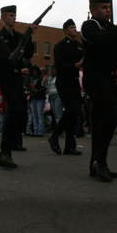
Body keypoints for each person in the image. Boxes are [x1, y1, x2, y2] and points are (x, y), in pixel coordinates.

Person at [81, 0, 117, 182]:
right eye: (103, 7)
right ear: (93, 9)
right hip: (95, 78)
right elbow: (103, 40)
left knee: (101, 123)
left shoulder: (107, 27)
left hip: (107, 79)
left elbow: (113, 50)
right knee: (111, 116)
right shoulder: (90, 26)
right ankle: (99, 161)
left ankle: (98, 163)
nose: (108, 10)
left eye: (109, 7)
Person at [0, 5, 36, 168]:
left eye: (15, 15)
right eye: (11, 15)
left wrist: (29, 37)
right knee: (16, 109)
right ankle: (4, 151)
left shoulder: (20, 36)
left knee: (20, 112)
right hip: (5, 76)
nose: (14, 18)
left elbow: (29, 54)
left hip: (17, 77)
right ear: (3, 18)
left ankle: (12, 143)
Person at [48, 19, 83, 155]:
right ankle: (55, 135)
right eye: (71, 27)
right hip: (64, 81)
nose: (75, 29)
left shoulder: (79, 45)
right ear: (65, 30)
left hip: (74, 81)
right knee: (70, 110)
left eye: (75, 27)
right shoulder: (61, 45)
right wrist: (75, 65)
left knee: (74, 113)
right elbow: (60, 65)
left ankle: (69, 146)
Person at [30, 65, 46, 137]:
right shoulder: (31, 80)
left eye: (36, 71)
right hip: (33, 98)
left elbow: (44, 88)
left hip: (40, 98)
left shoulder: (40, 79)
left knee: (40, 115)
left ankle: (41, 131)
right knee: (34, 115)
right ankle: (35, 131)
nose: (34, 73)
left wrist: (37, 90)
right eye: (33, 71)